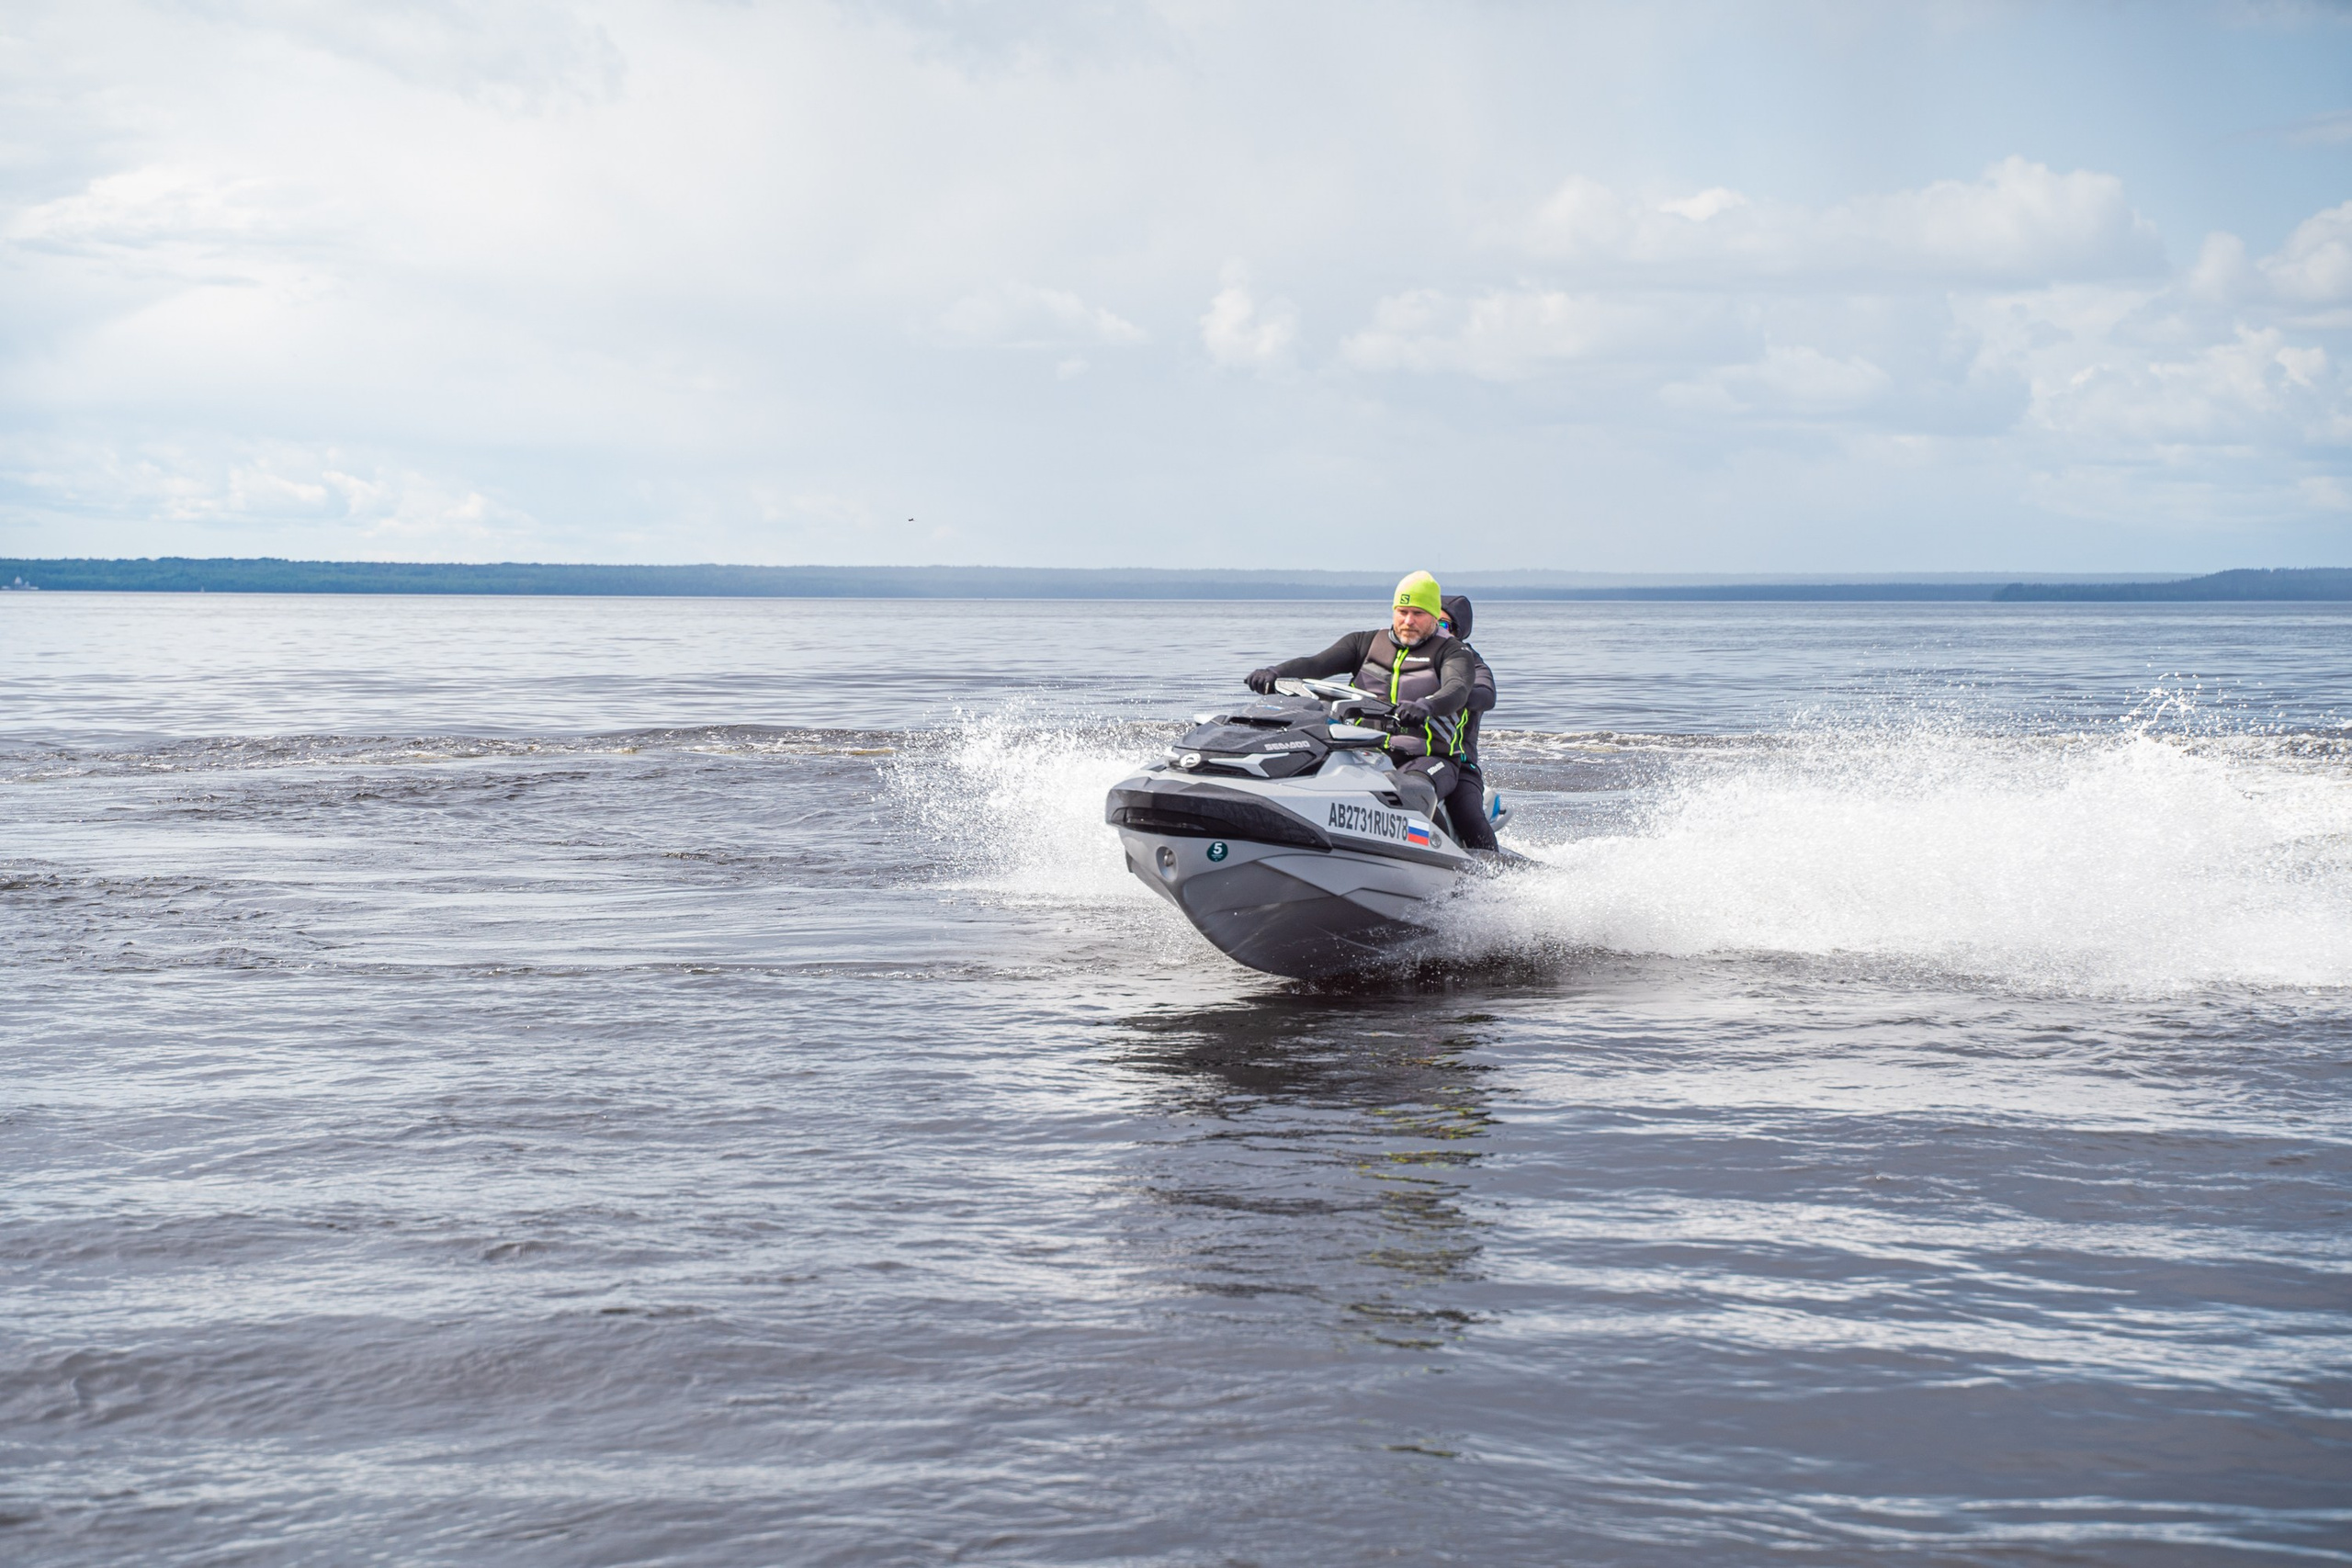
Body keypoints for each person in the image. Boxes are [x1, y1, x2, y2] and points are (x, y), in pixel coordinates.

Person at [1244, 570, 1481, 835]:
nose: (1408, 621)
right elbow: (1315, 664)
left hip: (1428, 759)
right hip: (1366, 753)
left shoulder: (1455, 652)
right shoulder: (1364, 643)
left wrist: (1427, 705)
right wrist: (1275, 672)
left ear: (1434, 616)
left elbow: (1457, 689)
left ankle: (1444, 856)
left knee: (1412, 793)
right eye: (1402, 612)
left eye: (1418, 613)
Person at [1436, 593, 1499, 851]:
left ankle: (1494, 879)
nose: (1434, 630)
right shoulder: (1404, 658)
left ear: (1458, 630)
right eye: (1430, 621)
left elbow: (1486, 695)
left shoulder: (1470, 662)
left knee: (1468, 816)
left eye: (1442, 625)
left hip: (1459, 762)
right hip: (1404, 754)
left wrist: (1452, 695)